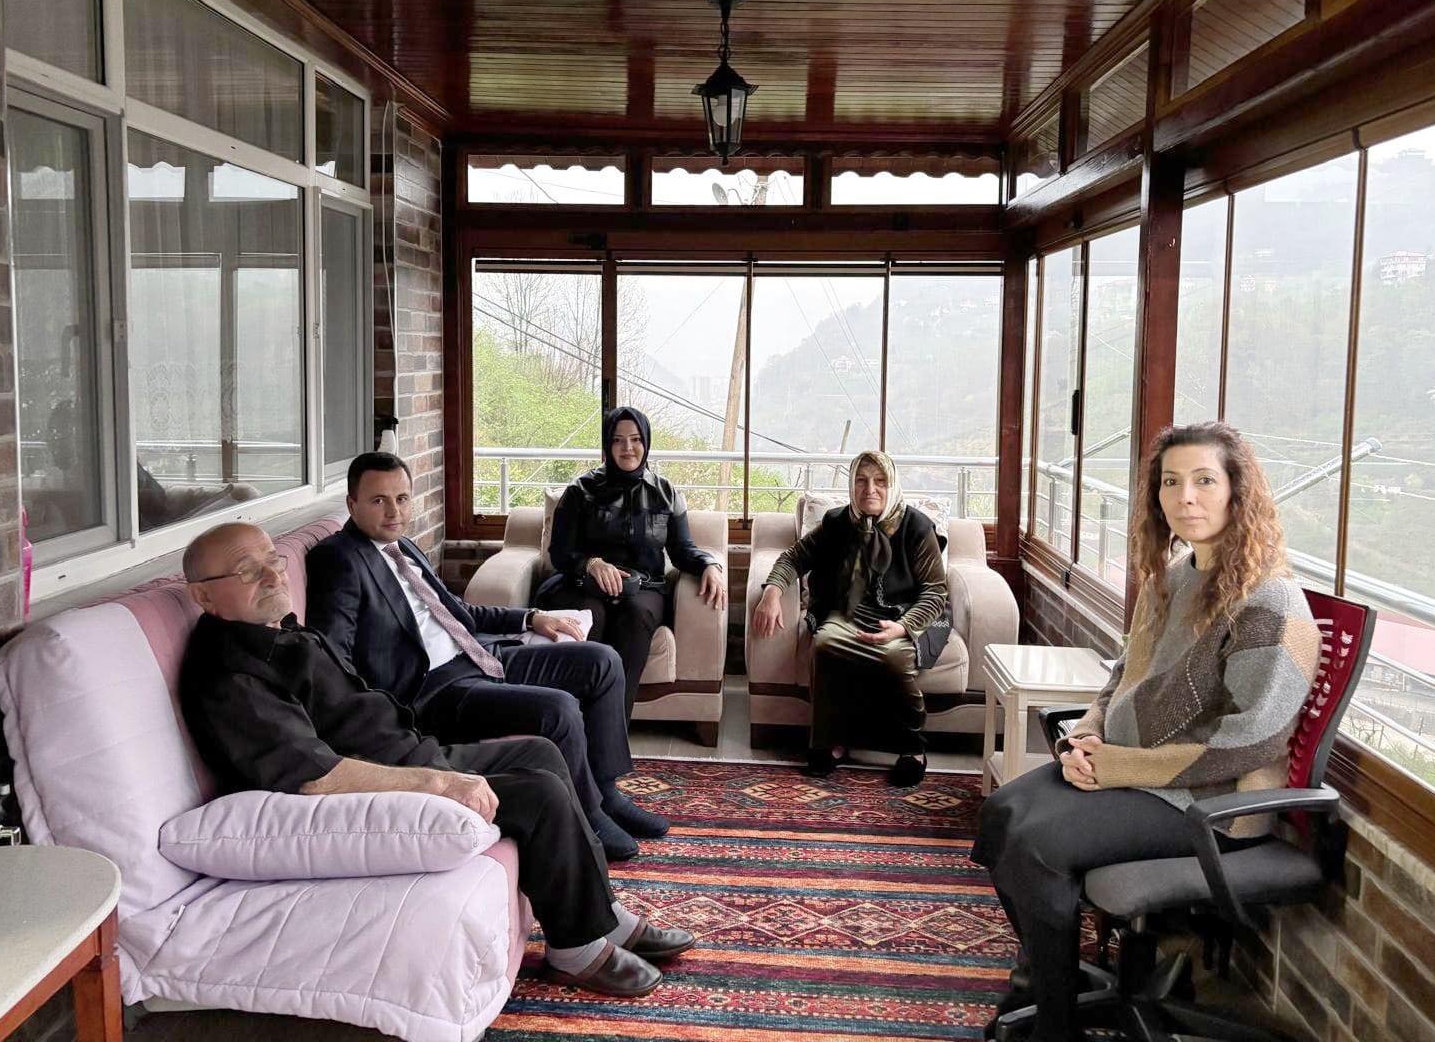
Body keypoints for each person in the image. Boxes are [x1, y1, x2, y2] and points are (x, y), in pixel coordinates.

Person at [178, 522, 696, 997]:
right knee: (538, 793)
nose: (273, 575)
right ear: (203, 595)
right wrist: (441, 783)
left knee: (540, 749)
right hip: (385, 785)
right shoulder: (229, 674)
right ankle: (575, 948)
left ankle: (603, 913)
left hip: (409, 750)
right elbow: (315, 776)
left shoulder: (274, 632)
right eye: (248, 571)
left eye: (272, 560)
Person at [973, 422, 1322, 1042]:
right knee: (1001, 813)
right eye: (1170, 482)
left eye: (1204, 480)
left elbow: (1253, 741)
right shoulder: (1177, 577)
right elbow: (1121, 678)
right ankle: (1049, 977)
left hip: (1216, 805)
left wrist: (1117, 767)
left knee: (1037, 845)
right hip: (1135, 772)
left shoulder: (1270, 602)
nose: (1185, 497)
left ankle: (1056, 1023)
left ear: (1238, 492)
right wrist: (1082, 739)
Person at [306, 452, 665, 863]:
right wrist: (379, 719)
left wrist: (532, 617)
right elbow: (333, 656)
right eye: (378, 501)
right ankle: (589, 818)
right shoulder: (339, 559)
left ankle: (606, 792)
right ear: (352, 504)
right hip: (434, 691)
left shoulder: (401, 546)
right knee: (559, 709)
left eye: (402, 499)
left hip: (476, 654)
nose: (394, 511)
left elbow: (458, 612)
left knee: (602, 662)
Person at [750, 450, 949, 787]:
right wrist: (771, 591)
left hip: (901, 616)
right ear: (852, 484)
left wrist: (902, 627)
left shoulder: (915, 527)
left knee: (893, 657)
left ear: (892, 484)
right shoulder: (838, 522)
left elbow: (935, 592)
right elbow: (794, 557)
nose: (870, 489)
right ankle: (831, 741)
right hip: (847, 614)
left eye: (880, 481)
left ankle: (912, 748)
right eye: (861, 480)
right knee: (825, 644)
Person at [538, 407, 727, 712]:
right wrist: (591, 563)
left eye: (636, 439)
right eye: (618, 440)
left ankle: (611, 724)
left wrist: (709, 564)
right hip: (582, 584)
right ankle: (572, 719)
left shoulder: (666, 493)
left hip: (644, 588)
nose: (628, 448)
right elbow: (559, 553)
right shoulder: (579, 491)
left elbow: (682, 550)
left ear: (646, 442)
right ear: (607, 444)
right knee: (590, 614)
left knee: (636, 615)